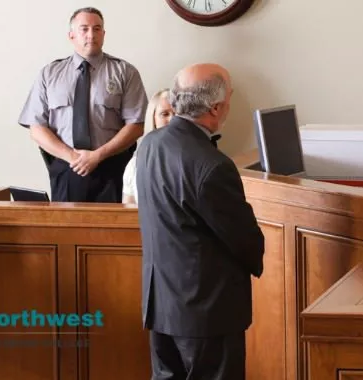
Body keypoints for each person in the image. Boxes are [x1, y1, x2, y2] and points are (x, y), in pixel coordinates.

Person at [136, 63, 265, 380]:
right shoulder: (212, 165)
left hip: (161, 302)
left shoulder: (149, 145)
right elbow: (245, 240)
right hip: (206, 311)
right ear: (217, 107)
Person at [18, 7, 148, 203]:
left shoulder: (125, 72)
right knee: (66, 232)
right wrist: (72, 157)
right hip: (67, 169)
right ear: (71, 36)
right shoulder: (50, 74)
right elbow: (36, 128)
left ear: (103, 35)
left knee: (112, 232)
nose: (91, 35)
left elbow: (136, 125)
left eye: (97, 29)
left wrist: (97, 156)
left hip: (112, 168)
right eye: (84, 29)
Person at [122, 89, 173, 204]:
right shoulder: (135, 165)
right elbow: (128, 212)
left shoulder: (195, 161)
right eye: (165, 114)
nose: (172, 119)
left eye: (177, 114)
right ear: (153, 118)